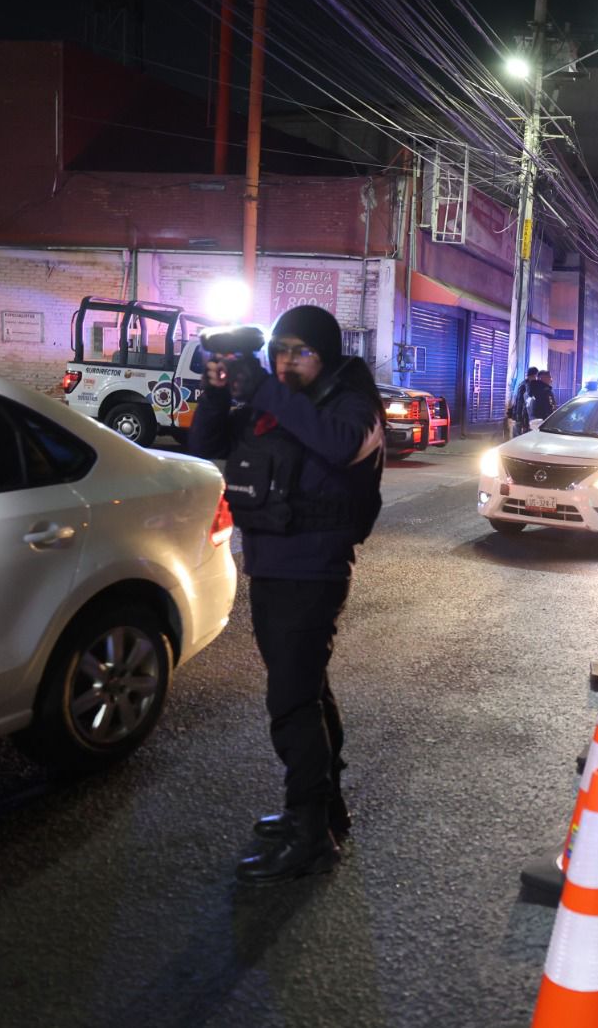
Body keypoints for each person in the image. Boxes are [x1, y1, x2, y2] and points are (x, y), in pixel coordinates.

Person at [188, 305, 384, 885]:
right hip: (271, 565)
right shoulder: (278, 401)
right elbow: (206, 443)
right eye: (279, 351)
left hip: (314, 570)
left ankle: (310, 835)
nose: (286, 361)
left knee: (290, 702)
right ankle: (325, 811)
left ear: (325, 356)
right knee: (308, 694)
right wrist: (218, 388)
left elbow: (339, 444)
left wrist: (269, 389)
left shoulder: (352, 404)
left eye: (300, 351)